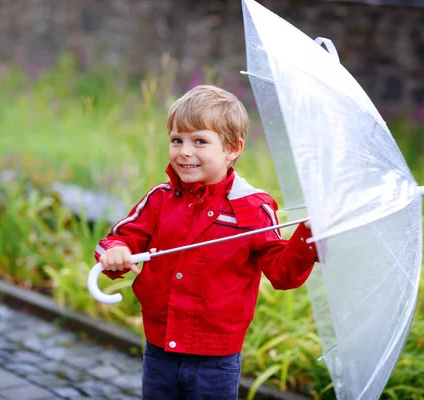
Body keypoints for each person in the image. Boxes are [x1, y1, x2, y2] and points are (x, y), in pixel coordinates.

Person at [94, 84, 317, 399]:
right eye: (177, 140)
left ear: (232, 149)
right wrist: (116, 253)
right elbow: (122, 237)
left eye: (199, 141)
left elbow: (282, 272)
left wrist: (308, 236)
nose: (184, 151)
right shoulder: (161, 199)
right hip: (160, 349)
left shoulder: (251, 207)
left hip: (217, 361)